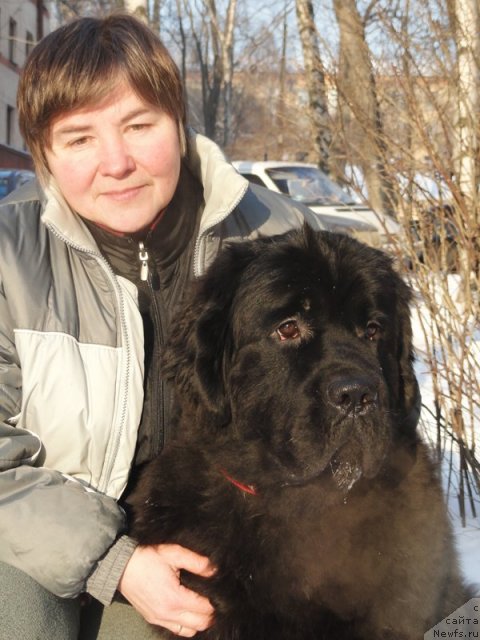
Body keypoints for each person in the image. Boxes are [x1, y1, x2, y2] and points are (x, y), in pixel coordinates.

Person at [0, 13, 322, 640]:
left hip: (222, 534)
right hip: (38, 540)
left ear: (178, 125)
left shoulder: (281, 241)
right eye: (78, 138)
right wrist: (114, 562)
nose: (115, 163)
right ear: (44, 154)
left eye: (139, 125)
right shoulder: (9, 256)